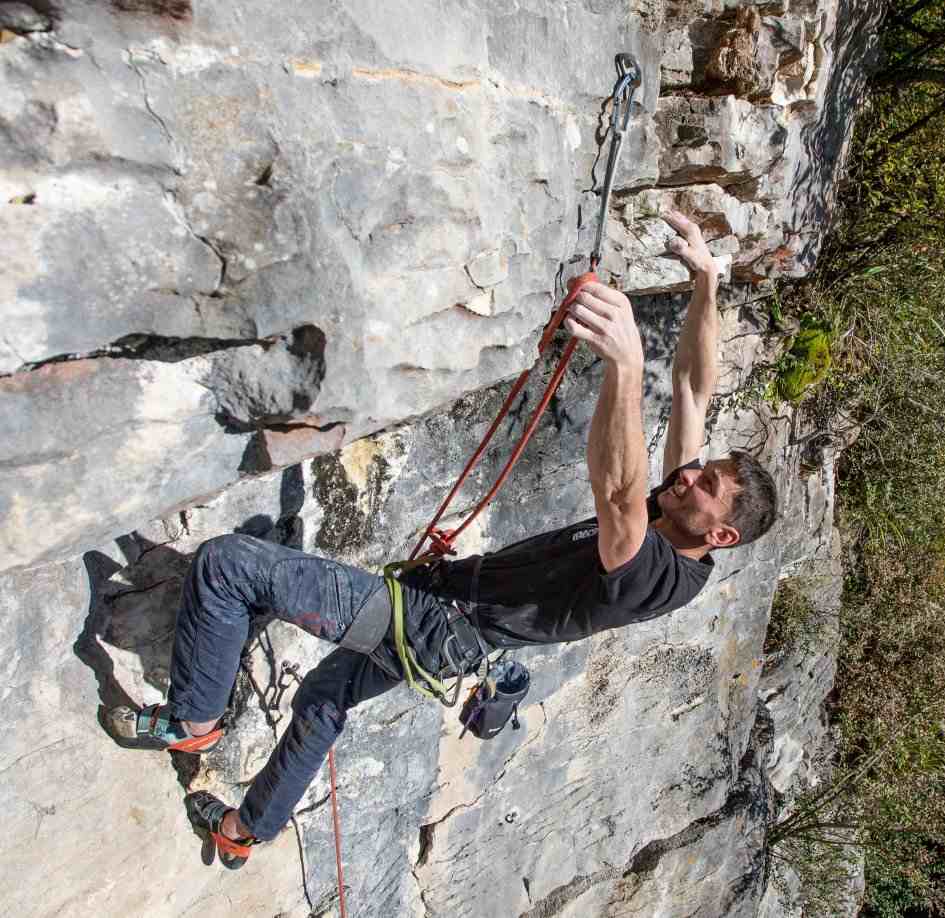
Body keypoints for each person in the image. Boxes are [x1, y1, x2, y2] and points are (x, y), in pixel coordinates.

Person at [110, 210, 779, 867]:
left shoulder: (660, 578)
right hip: (445, 623)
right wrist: (706, 285)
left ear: (718, 535)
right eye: (704, 469)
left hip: (432, 625)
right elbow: (694, 387)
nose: (689, 477)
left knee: (229, 567)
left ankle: (192, 723)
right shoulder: (683, 509)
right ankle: (245, 830)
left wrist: (626, 368)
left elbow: (616, 499)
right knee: (321, 698)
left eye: (706, 486)